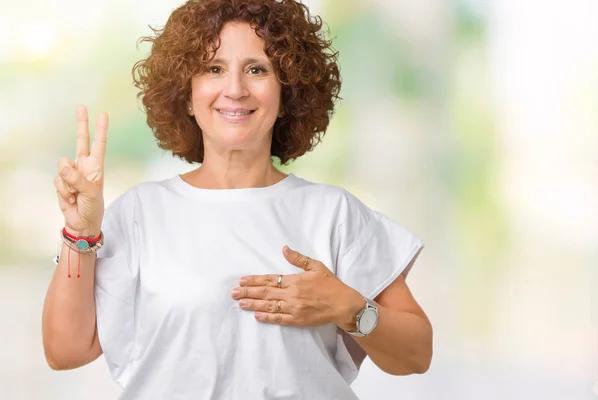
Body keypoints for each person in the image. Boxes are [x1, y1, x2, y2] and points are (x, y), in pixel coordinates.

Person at [42, 0, 432, 398]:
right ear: (187, 95)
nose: (235, 89)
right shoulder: (140, 213)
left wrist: (346, 306)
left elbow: (416, 355)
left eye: (257, 69)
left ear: (287, 92)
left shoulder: (333, 214)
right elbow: (66, 350)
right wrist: (79, 232)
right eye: (214, 69)